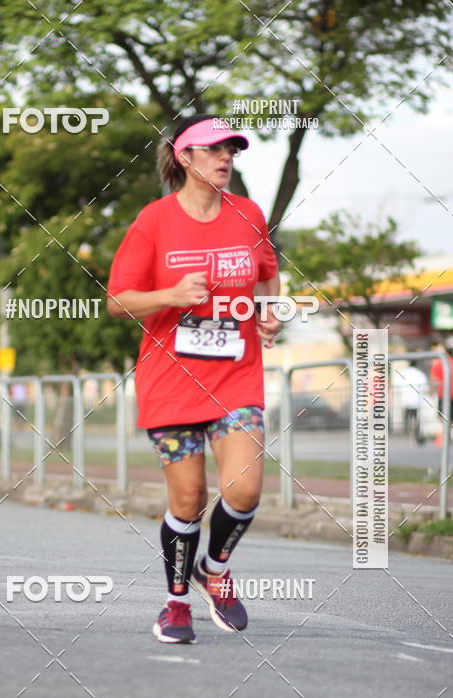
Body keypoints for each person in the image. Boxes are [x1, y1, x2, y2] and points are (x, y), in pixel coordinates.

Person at [107, 113, 281, 644]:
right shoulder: (154, 221)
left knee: (245, 489)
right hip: (171, 382)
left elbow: (267, 272)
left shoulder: (248, 213)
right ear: (184, 157)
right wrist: (170, 296)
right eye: (214, 150)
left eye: (231, 149)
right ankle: (176, 604)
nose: (226, 158)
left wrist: (269, 314)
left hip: (236, 376)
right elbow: (118, 299)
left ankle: (215, 568)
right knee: (188, 499)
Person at [429, 343, 453, 425]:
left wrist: (431, 391)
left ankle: (445, 433)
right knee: (451, 415)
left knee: (442, 415)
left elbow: (433, 378)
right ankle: (449, 433)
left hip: (443, 392)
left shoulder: (439, 362)